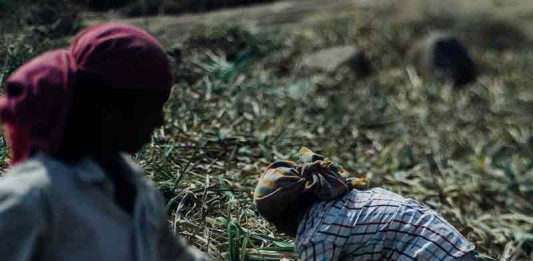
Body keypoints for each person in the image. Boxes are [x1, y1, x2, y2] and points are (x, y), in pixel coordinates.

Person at [0, 23, 206, 260]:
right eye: (151, 108)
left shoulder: (136, 188)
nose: (160, 122)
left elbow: (176, 256)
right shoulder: (32, 198)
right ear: (109, 109)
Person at [254, 147, 478, 260]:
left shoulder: (317, 233)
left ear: (289, 212)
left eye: (275, 221)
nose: (277, 229)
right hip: (458, 251)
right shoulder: (350, 199)